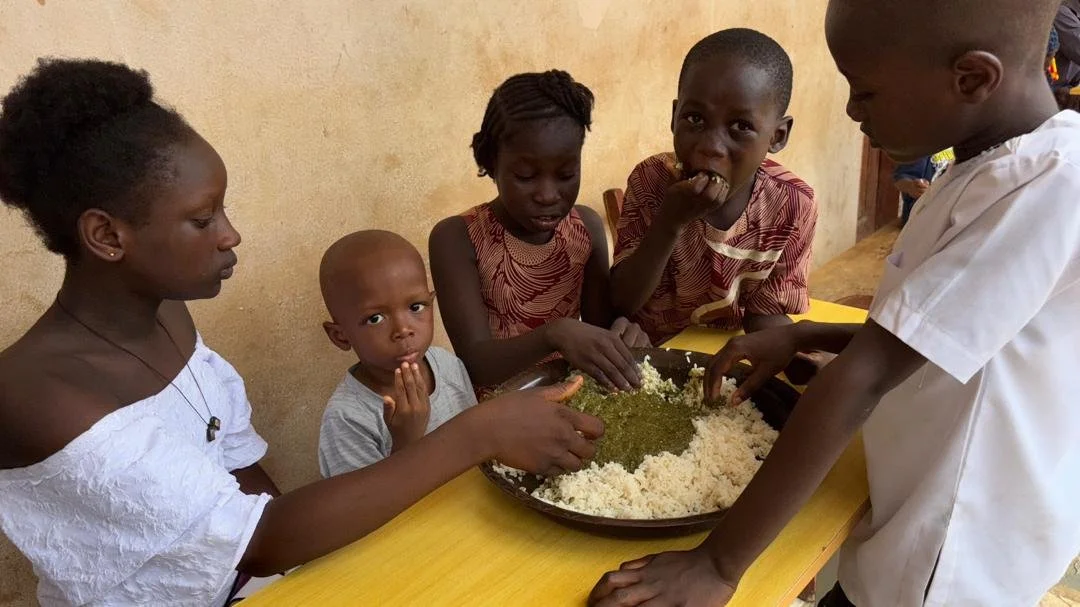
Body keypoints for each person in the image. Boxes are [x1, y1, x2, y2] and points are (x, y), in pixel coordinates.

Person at [0, 58, 603, 606]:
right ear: (107, 236)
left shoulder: (165, 314)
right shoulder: (34, 394)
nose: (230, 235)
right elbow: (256, 539)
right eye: (203, 219)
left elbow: (244, 479)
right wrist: (480, 430)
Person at [588, 0, 1080, 605]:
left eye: (864, 90)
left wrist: (718, 564)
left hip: (954, 549)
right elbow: (937, 337)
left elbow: (868, 375)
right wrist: (802, 336)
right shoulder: (981, 171)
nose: (850, 109)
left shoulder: (1046, 189)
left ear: (972, 78)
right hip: (907, 505)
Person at [429, 70, 649, 394]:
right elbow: (476, 361)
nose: (547, 194)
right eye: (526, 176)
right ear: (490, 162)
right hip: (500, 411)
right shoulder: (457, 238)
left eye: (566, 174)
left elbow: (601, 325)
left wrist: (622, 333)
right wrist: (554, 333)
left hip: (577, 393)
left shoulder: (584, 229)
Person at [609, 29, 817, 347]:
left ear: (777, 136)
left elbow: (765, 312)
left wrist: (793, 353)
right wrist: (670, 222)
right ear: (674, 116)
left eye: (741, 126)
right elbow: (621, 302)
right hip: (648, 354)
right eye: (694, 118)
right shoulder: (651, 180)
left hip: (724, 357)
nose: (711, 147)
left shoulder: (792, 204)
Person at [317, 230, 477, 477]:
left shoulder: (446, 365)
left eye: (416, 307)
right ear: (341, 335)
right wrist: (406, 443)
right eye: (375, 318)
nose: (403, 330)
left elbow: (476, 449)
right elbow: (366, 510)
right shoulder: (347, 418)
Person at [892, 148, 953, 226]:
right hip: (919, 219)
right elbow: (899, 179)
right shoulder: (923, 145)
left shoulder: (963, 145)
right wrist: (911, 187)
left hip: (949, 216)